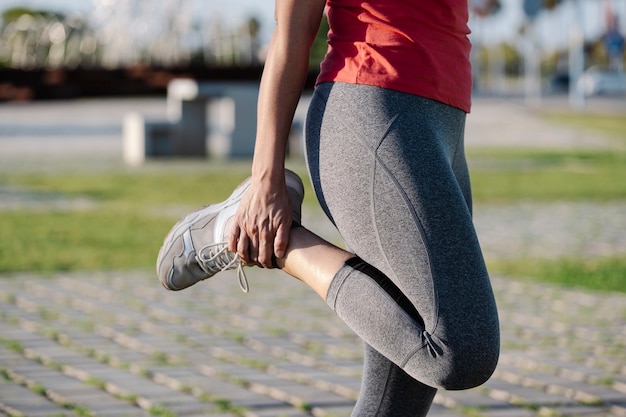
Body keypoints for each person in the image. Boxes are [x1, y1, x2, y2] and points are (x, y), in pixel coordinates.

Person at [157, 0, 500, 415]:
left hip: (442, 125)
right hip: (375, 114)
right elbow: (290, 32)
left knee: (394, 404)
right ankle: (272, 241)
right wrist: (266, 183)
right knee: (460, 350)